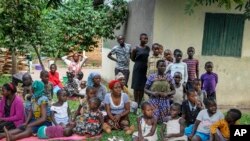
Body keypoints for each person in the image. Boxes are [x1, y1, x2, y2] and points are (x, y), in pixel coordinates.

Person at [131, 33, 150, 107]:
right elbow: (132, 58)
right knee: (136, 86)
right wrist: (139, 62)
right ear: (140, 38)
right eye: (144, 38)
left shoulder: (148, 48)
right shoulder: (135, 49)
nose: (145, 40)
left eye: (146, 38)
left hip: (145, 68)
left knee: (142, 86)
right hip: (137, 68)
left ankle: (139, 103)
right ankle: (136, 102)